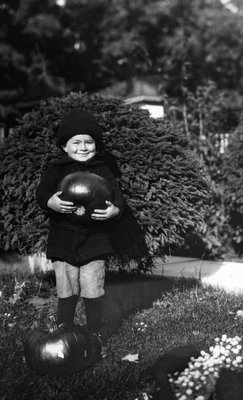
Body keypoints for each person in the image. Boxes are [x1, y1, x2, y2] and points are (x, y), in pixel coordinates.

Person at [36, 108, 124, 356]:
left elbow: (118, 199)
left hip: (95, 241)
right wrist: (50, 202)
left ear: (96, 145)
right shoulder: (56, 168)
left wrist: (113, 212)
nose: (83, 147)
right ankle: (64, 334)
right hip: (63, 241)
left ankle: (95, 336)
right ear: (65, 146)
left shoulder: (102, 170)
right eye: (76, 142)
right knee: (67, 290)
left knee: (92, 288)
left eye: (89, 142)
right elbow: (42, 194)